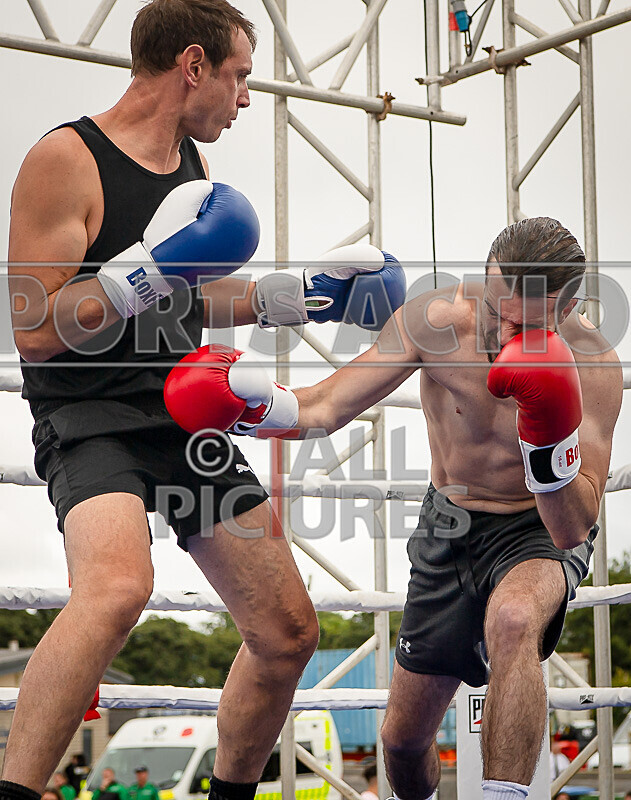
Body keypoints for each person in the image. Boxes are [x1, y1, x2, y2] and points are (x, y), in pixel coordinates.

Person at [0, 2, 405, 800]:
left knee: (287, 632)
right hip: (92, 415)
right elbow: (35, 330)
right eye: (240, 75)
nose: (245, 97)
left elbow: (185, 288)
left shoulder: (190, 168)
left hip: (185, 408)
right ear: (193, 65)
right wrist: (143, 271)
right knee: (116, 588)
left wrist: (290, 297)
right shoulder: (65, 158)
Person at [184, 216, 622, 800]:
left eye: (528, 324)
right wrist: (254, 407)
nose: (506, 330)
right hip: (451, 522)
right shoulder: (434, 320)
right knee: (402, 743)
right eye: (498, 311)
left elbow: (571, 529)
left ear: (566, 311)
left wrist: (550, 450)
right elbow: (325, 407)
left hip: (535, 526)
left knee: (515, 619)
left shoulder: (593, 365)